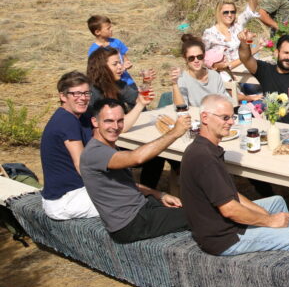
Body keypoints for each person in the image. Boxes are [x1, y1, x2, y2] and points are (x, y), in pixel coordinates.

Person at [181, 94, 289, 255]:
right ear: (205, 117)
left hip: (224, 225)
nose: (231, 122)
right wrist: (270, 221)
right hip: (224, 237)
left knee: (277, 203)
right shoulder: (204, 158)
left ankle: (285, 253)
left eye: (232, 117)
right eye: (225, 118)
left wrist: (267, 216)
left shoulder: (206, 148)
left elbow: (230, 195)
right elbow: (230, 209)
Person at [80, 99, 191, 243]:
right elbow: (136, 158)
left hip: (140, 208)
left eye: (120, 121)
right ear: (95, 122)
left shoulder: (108, 146)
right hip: (129, 224)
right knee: (198, 215)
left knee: (190, 206)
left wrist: (160, 194)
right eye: (108, 121)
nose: (115, 126)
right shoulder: (95, 152)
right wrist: (175, 132)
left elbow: (127, 184)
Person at [39, 72, 98, 220]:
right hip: (65, 200)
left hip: (75, 192)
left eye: (86, 93)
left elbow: (113, 125)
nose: (83, 98)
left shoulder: (81, 116)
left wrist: (140, 104)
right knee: (125, 201)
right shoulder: (66, 121)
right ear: (63, 96)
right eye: (76, 94)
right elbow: (81, 165)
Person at [201, 0, 262, 72]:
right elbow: (203, 58)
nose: (230, 15)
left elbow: (251, 9)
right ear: (219, 13)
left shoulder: (238, 25)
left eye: (232, 12)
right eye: (226, 12)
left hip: (246, 68)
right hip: (227, 73)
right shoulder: (209, 33)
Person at [170, 35, 229, 108]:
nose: (196, 60)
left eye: (199, 57)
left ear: (204, 56)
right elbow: (180, 107)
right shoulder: (182, 79)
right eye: (191, 58)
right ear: (185, 59)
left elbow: (224, 101)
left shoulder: (214, 75)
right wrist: (175, 84)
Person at [87, 15, 140, 88]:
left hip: (127, 82)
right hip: (112, 86)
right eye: (108, 28)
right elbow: (98, 72)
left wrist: (127, 65)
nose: (111, 29)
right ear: (97, 32)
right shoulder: (94, 51)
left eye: (111, 27)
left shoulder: (116, 42)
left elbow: (125, 60)